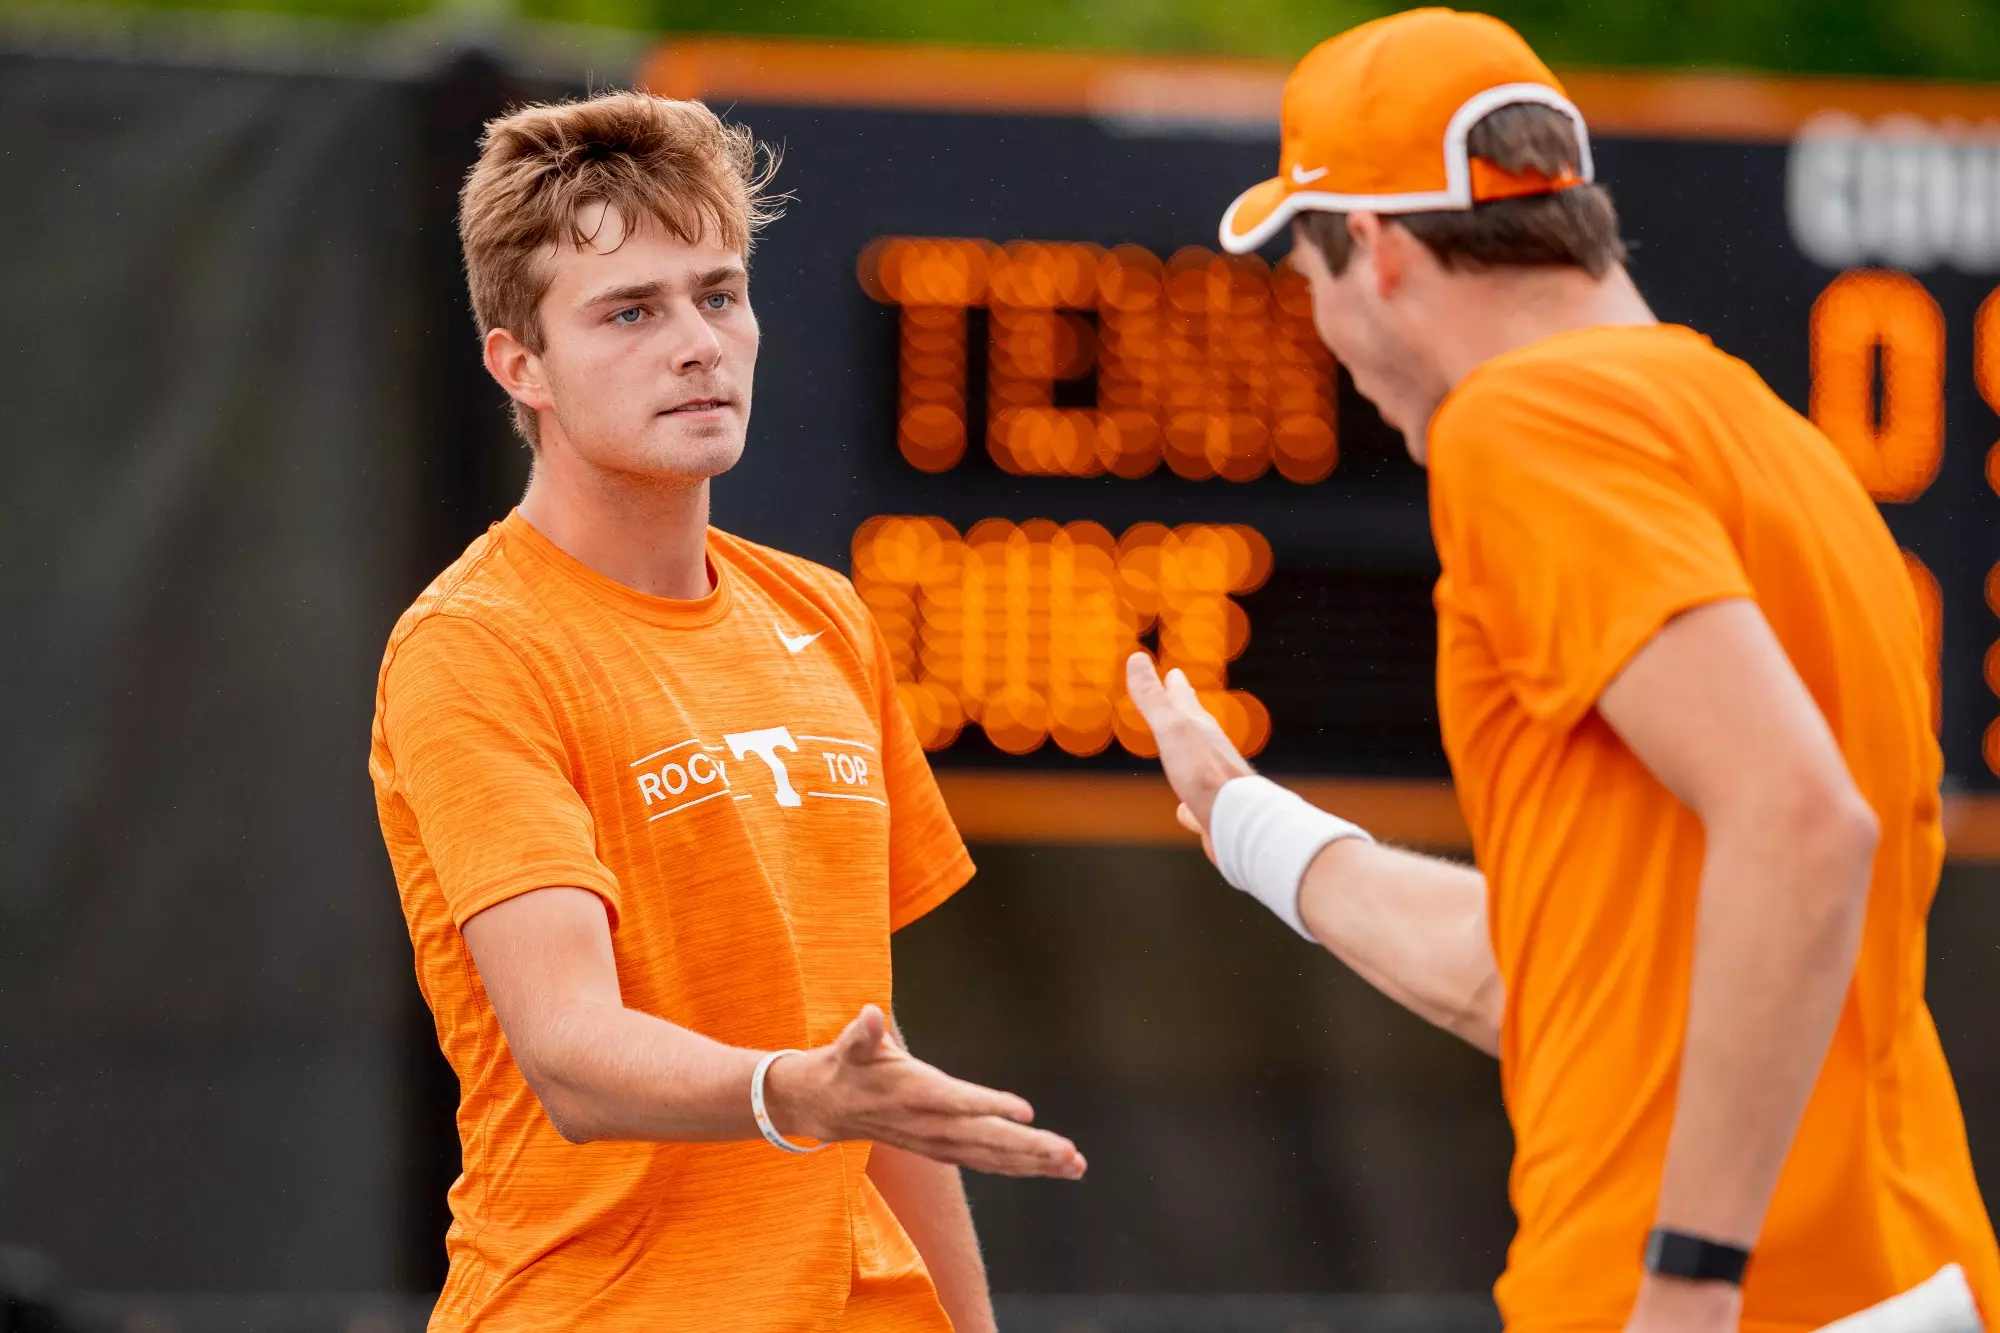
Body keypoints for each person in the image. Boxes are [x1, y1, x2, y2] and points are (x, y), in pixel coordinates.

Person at [1125, 9, 2000, 1333]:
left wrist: (1690, 1282)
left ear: (1373, 245)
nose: (1312, 322)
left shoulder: (1525, 422)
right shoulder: (1782, 448)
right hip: (1900, 1273)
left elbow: (1804, 821)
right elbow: (1550, 979)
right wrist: (1251, 824)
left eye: (1300, 269)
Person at [368, 91, 1084, 1332]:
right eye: (630, 311)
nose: (697, 343)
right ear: (517, 365)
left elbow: (864, 1050)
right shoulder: (473, 644)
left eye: (719, 293)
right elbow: (570, 1050)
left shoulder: (821, 613)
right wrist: (795, 1091)